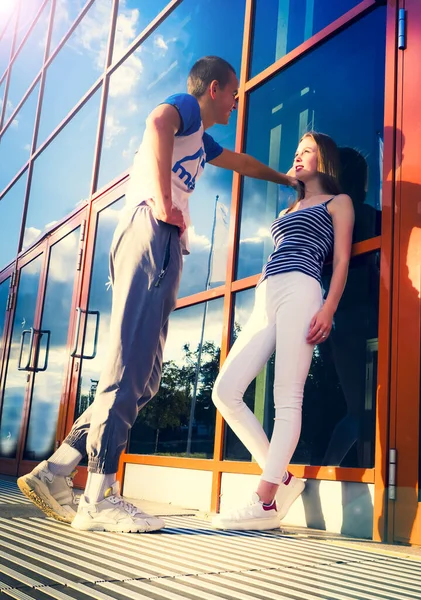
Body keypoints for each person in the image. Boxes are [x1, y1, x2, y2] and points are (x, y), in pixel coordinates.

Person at [17, 56, 302, 533]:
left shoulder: (201, 140)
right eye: (234, 93)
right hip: (152, 232)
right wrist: (164, 202)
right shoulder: (186, 108)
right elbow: (156, 121)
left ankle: (59, 468)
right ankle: (99, 495)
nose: (237, 101)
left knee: (145, 379)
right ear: (214, 89)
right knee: (129, 366)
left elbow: (241, 162)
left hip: (160, 238)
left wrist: (285, 179)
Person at [211, 131, 355, 531]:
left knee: (286, 398)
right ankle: (284, 479)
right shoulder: (287, 210)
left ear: (323, 159)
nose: (297, 157)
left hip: (303, 288)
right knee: (224, 391)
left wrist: (328, 308)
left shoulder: (337, 203)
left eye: (306, 151)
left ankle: (266, 500)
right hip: (267, 293)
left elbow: (341, 261)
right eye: (295, 152)